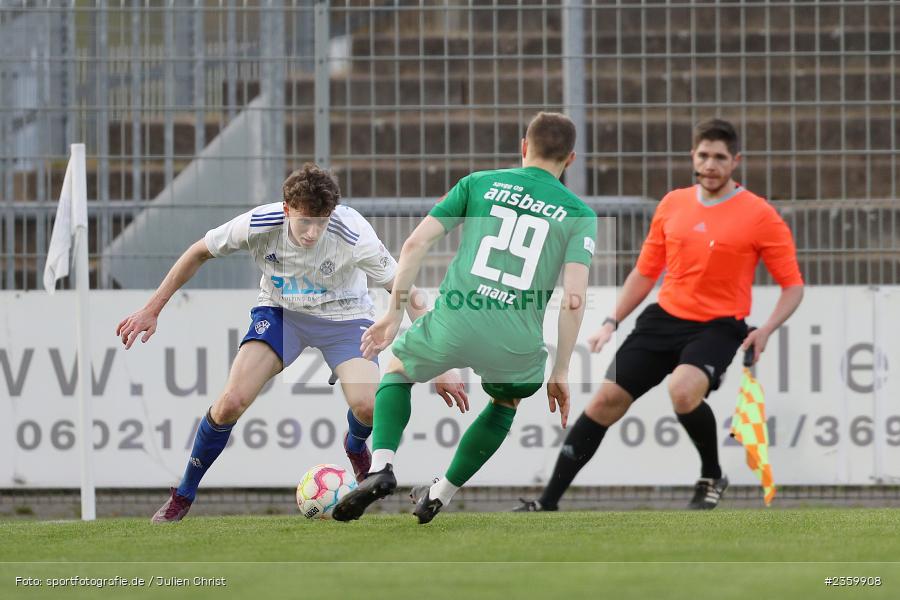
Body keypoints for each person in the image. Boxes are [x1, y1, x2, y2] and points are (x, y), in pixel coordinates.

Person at [116, 163, 466, 523]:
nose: (313, 233)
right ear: (286, 210)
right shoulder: (259, 223)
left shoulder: (353, 231)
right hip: (282, 314)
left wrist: (444, 364)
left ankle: (354, 444)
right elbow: (198, 252)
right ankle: (183, 495)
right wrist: (151, 310)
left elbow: (407, 291)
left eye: (321, 222)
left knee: (367, 408)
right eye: (304, 222)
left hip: (344, 318)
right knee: (230, 403)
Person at [513, 118, 804, 512]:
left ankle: (711, 474)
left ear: (735, 161)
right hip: (664, 318)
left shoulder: (759, 215)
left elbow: (793, 286)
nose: (711, 164)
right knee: (604, 402)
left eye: (720, 157)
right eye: (704, 155)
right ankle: (546, 504)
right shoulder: (673, 204)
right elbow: (646, 273)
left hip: (719, 326)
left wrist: (767, 329)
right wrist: (611, 321)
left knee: (683, 392)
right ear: (693, 156)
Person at [331, 112, 598, 524]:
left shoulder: (479, 183)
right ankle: (442, 492)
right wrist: (561, 369)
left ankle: (382, 466)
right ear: (572, 159)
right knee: (505, 400)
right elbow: (575, 299)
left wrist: (393, 313)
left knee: (398, 370)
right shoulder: (578, 213)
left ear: (523, 147)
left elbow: (415, 242)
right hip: (515, 338)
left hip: (457, 319)